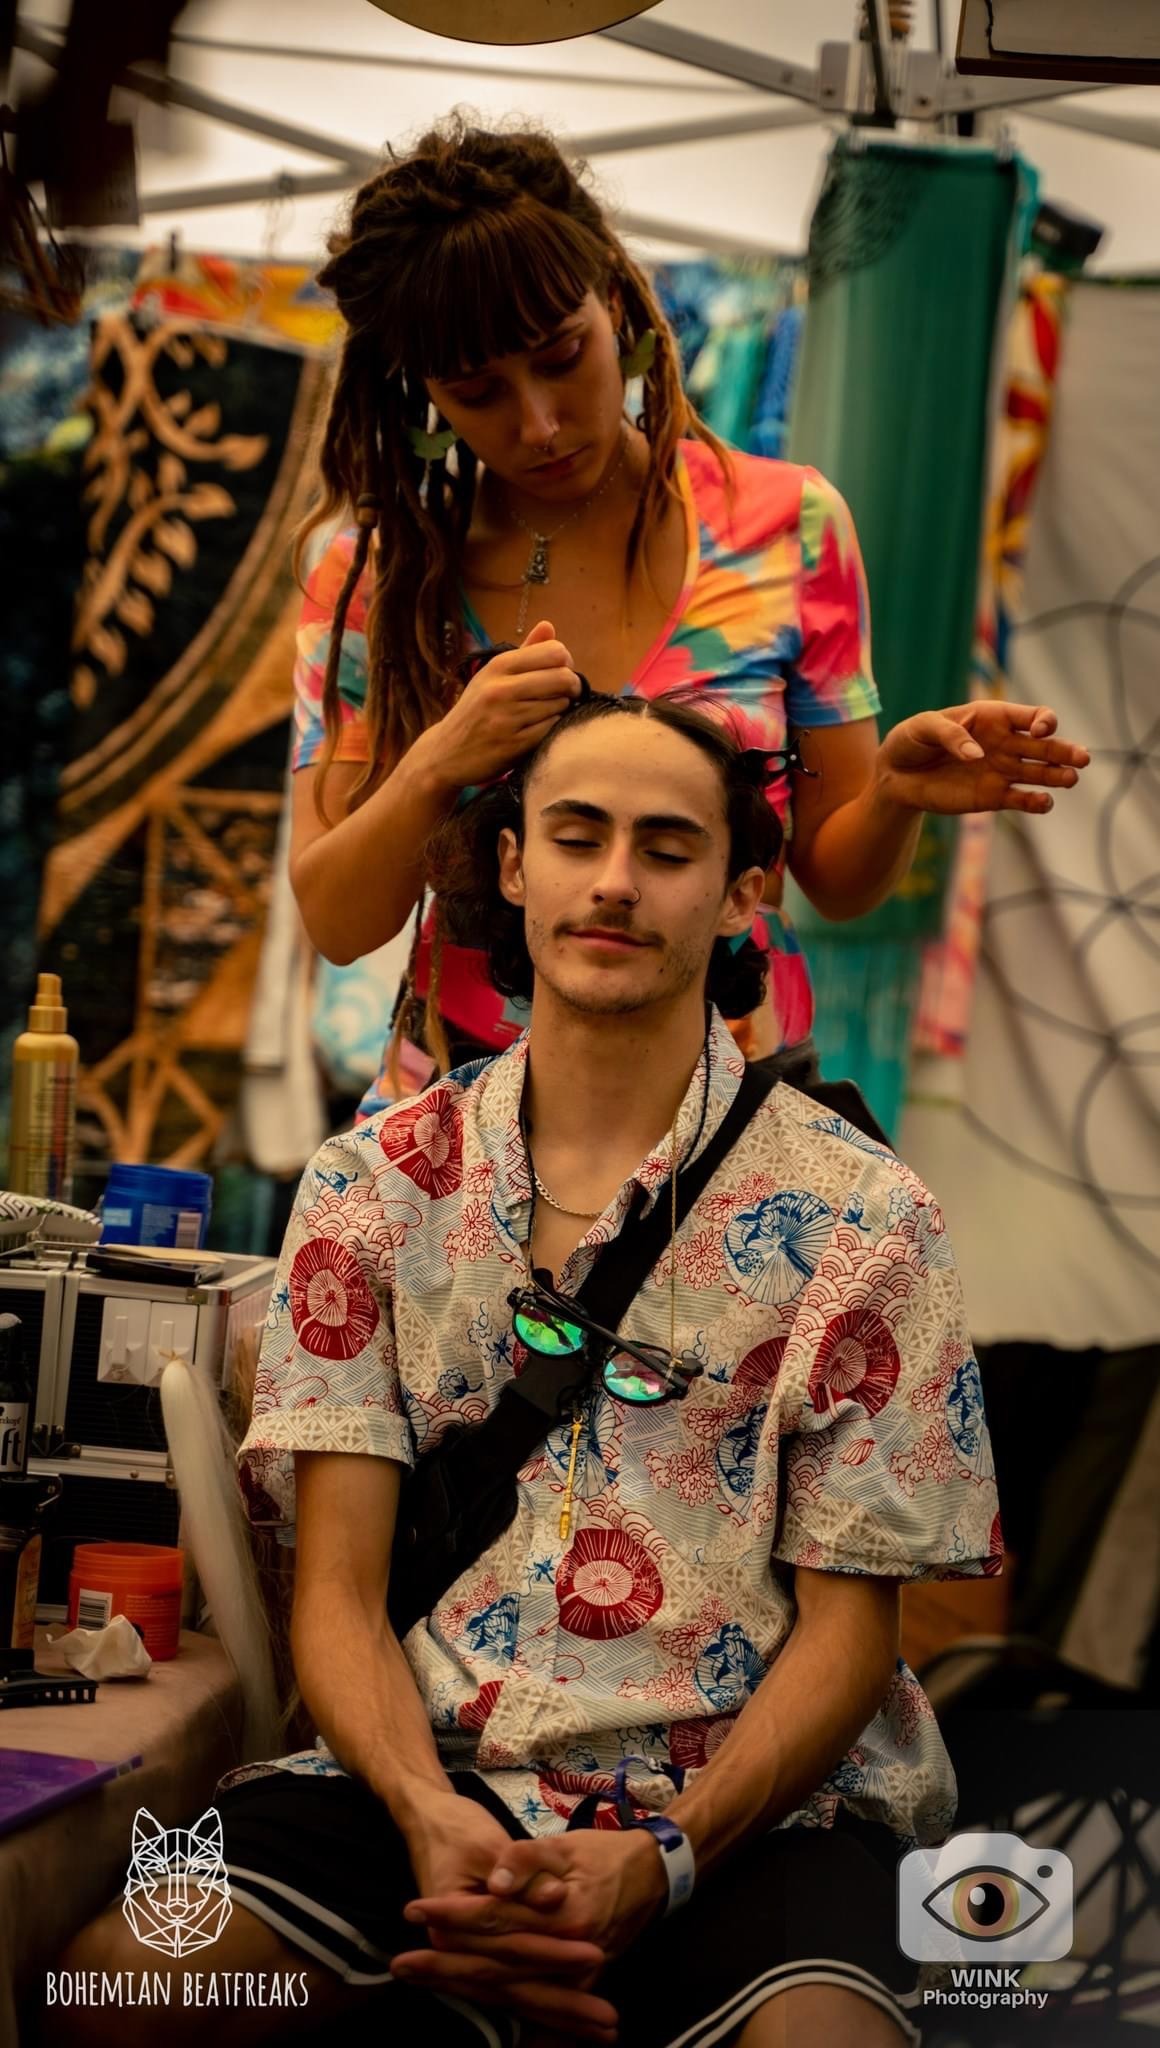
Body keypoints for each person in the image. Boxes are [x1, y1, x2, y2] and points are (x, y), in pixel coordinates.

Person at [51, 693, 1002, 2048]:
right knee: (126, 1984)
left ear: (742, 891)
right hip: (410, 1779)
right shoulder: (372, 1189)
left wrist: (662, 1854)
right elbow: (335, 1590)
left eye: (668, 848)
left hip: (747, 1815)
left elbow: (853, 1638)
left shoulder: (867, 1223)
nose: (615, 880)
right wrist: (427, 1816)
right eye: (576, 834)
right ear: (512, 869)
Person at [288, 116, 1089, 1111]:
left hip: (727, 1140)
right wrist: (442, 757)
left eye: (559, 355)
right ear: (422, 400)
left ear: (617, 304)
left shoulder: (786, 525)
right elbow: (332, 915)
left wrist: (889, 795)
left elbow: (833, 879)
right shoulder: (373, 577)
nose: (536, 422)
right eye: (478, 390)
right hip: (456, 1144)